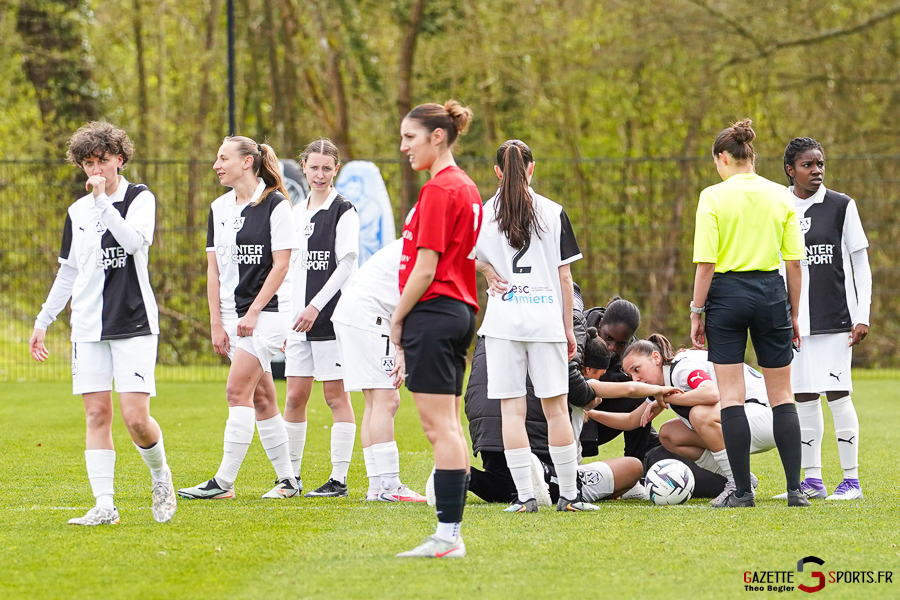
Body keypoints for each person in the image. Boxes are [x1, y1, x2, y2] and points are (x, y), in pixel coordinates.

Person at [29, 121, 176, 525]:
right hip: (88, 327)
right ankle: (105, 505)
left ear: (120, 160)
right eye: (88, 163)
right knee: (96, 415)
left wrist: (101, 203)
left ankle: (160, 475)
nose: (95, 171)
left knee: (135, 419)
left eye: (103, 162)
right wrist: (44, 319)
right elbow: (69, 272)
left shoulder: (139, 198)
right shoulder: (76, 211)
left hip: (133, 322)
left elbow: (132, 243)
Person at [474, 139, 598, 514]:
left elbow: (466, 257)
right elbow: (564, 278)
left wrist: (489, 271)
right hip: (545, 321)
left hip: (502, 323)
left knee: (511, 412)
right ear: (531, 168)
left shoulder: (484, 212)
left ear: (498, 171)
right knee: (556, 409)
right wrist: (566, 330)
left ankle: (525, 497)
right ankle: (569, 498)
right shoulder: (553, 211)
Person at [690, 119, 808, 508]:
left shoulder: (713, 196)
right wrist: (792, 312)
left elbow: (705, 264)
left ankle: (742, 493)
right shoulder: (781, 195)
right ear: (751, 156)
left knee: (731, 398)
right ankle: (795, 490)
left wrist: (696, 311)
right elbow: (794, 264)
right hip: (771, 292)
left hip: (726, 295)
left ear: (723, 157)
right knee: (782, 395)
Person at [178, 136, 299, 500]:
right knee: (262, 397)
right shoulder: (218, 208)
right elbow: (213, 272)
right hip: (233, 317)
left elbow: (281, 266)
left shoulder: (276, 205)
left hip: (268, 315)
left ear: (247, 162)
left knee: (236, 391)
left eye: (223, 158)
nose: (216, 165)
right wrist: (217, 323)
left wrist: (254, 312)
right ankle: (288, 481)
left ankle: (223, 483)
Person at [390, 100, 481, 558]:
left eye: (411, 137)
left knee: (439, 428)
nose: (404, 146)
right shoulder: (465, 186)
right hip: (456, 310)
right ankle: (449, 534)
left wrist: (397, 316)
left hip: (435, 309)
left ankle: (448, 536)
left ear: (437, 136)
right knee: (448, 427)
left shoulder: (442, 189)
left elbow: (426, 268)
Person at [463, 325, 680, 506]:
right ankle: (543, 476)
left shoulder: (550, 379)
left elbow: (630, 417)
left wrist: (592, 412)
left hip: (507, 452)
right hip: (559, 476)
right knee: (633, 467)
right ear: (586, 370)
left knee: (503, 485)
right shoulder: (583, 386)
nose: (601, 380)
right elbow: (630, 390)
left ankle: (463, 476)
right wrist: (657, 390)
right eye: (600, 375)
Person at [780, 137, 872, 500]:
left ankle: (851, 481)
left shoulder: (841, 206)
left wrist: (861, 314)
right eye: (808, 165)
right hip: (795, 323)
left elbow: (861, 265)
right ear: (791, 170)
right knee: (803, 396)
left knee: (837, 393)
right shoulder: (779, 205)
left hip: (836, 319)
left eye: (820, 164)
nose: (817, 170)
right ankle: (813, 480)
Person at [282, 139, 360, 498]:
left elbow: (346, 264)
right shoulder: (296, 212)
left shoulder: (344, 210)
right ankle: (290, 478)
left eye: (327, 168)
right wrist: (289, 316)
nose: (320, 174)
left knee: (334, 396)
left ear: (336, 170)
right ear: (304, 167)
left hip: (329, 318)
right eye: (314, 167)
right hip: (297, 323)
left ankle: (338, 480)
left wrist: (315, 306)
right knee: (295, 396)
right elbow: (288, 270)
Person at [622, 334, 775, 506]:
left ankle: (737, 484)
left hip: (766, 417)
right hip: (748, 419)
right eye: (630, 375)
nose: (635, 379)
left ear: (656, 358)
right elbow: (631, 420)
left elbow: (710, 394)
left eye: (637, 369)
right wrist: (591, 404)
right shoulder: (664, 380)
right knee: (669, 434)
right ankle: (742, 477)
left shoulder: (680, 367)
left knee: (700, 414)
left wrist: (667, 398)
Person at [331, 238, 426, 502]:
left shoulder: (416, 237)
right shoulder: (427, 245)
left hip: (354, 314)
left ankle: (377, 487)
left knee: (374, 402)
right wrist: (401, 349)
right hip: (368, 317)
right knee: (387, 399)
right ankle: (390, 486)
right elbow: (412, 299)